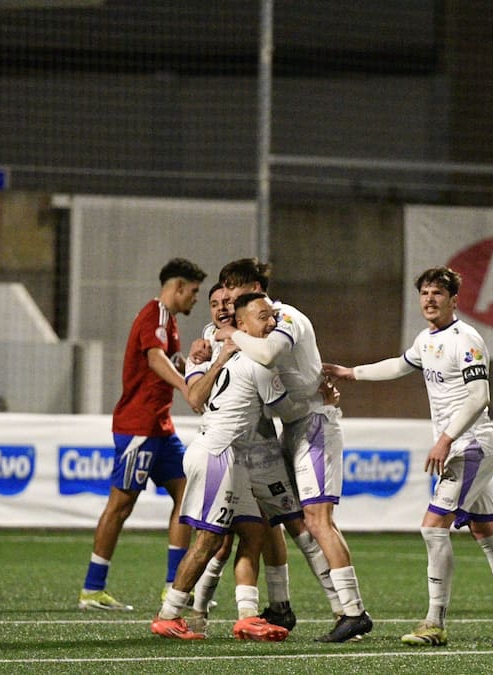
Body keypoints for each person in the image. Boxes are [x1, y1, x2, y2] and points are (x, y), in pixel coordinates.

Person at [323, 266, 493, 648]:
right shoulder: (427, 340)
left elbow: (480, 396)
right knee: (486, 529)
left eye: (437, 293)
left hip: (471, 445)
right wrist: (351, 373)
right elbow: (399, 365)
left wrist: (444, 439)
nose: (429, 299)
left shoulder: (466, 339)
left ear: (453, 300)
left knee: (432, 525)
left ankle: (434, 623)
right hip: (463, 446)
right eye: (424, 293)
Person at [215, 258, 372, 643]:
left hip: (315, 423)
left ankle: (352, 611)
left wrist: (233, 339)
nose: (228, 304)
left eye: (234, 293)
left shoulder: (283, 317)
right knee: (283, 517)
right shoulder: (245, 326)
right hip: (293, 425)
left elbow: (268, 355)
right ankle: (283, 606)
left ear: (252, 288)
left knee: (317, 520)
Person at [151, 292, 318, 641]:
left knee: (253, 532)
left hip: (231, 455)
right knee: (210, 540)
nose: (271, 323)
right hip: (219, 454)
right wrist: (321, 396)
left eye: (272, 316)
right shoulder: (257, 362)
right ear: (241, 324)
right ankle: (169, 614)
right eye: (263, 317)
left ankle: (247, 615)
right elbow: (285, 412)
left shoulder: (228, 354)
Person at [182, 282, 341, 635]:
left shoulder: (266, 333)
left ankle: (331, 608)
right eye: (215, 303)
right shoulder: (207, 342)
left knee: (291, 526)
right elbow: (196, 398)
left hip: (263, 449)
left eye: (228, 300)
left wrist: (312, 389)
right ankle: (197, 611)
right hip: (227, 452)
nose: (222, 307)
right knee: (222, 541)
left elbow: (279, 378)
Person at [78, 257, 206, 611]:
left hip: (160, 428)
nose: (196, 298)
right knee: (120, 506)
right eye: (194, 291)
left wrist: (188, 364)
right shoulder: (156, 315)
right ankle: (92, 589)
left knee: (187, 493)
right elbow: (153, 359)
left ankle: (173, 586)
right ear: (177, 287)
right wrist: (185, 387)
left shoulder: (170, 322)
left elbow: (165, 358)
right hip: (138, 427)